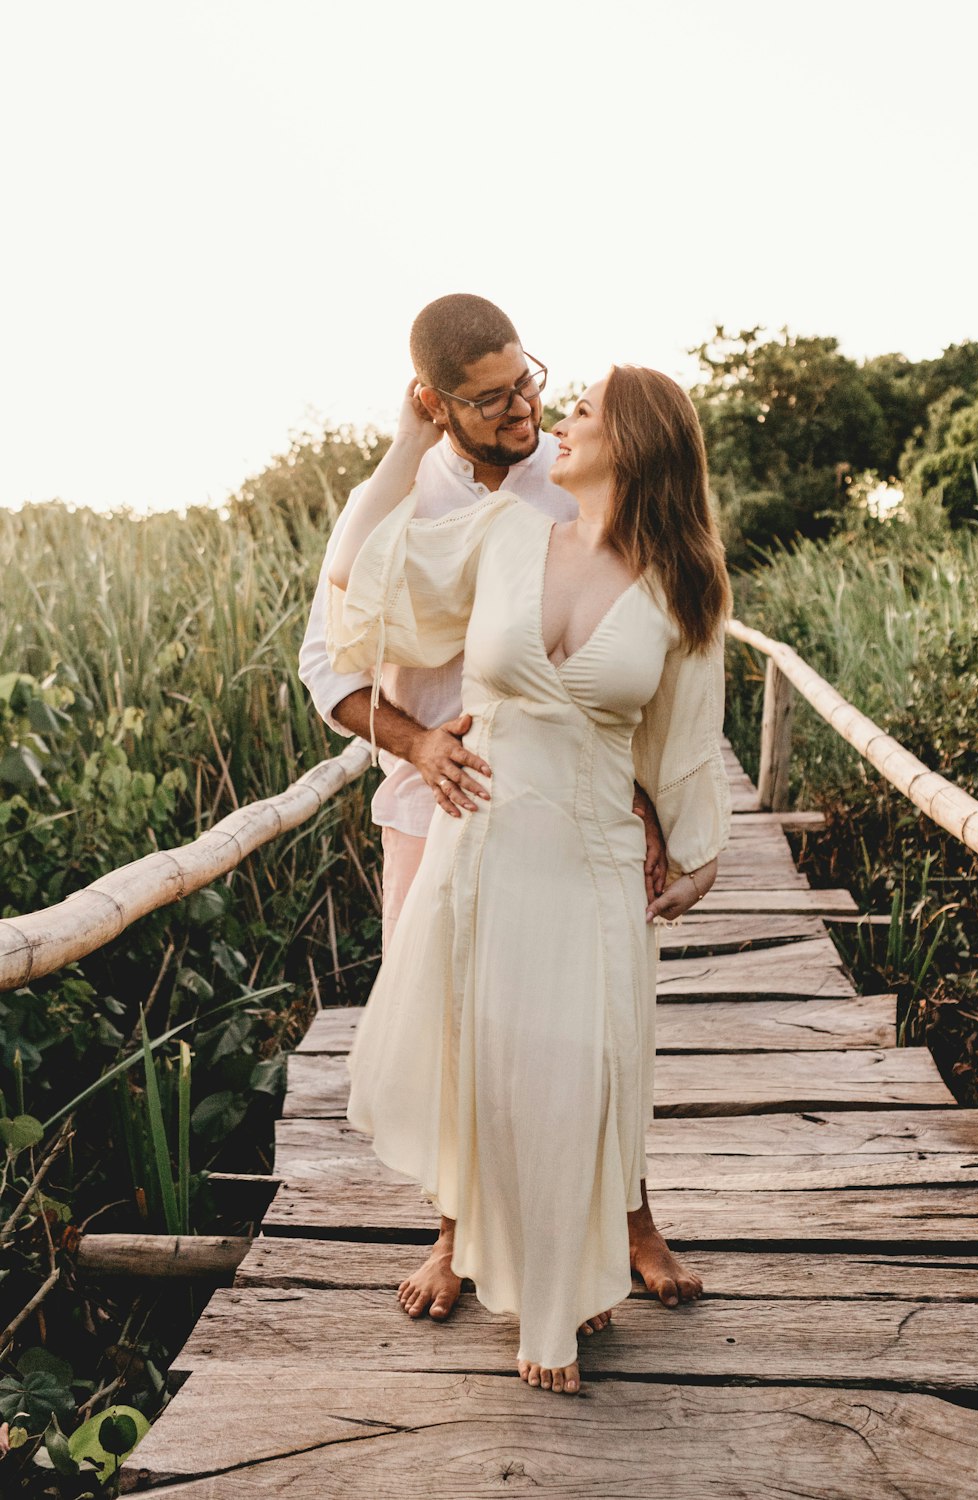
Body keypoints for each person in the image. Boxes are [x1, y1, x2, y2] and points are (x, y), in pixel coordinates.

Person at [325, 356, 732, 1395]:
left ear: (629, 447)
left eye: (582, 410)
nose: (559, 418)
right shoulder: (505, 530)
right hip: (487, 842)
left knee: (582, 1072)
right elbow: (364, 577)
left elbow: (683, 742)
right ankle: (471, 1245)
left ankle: (571, 1281)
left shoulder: (684, 592)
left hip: (595, 852)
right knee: (485, 1061)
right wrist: (410, 435)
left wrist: (685, 861)